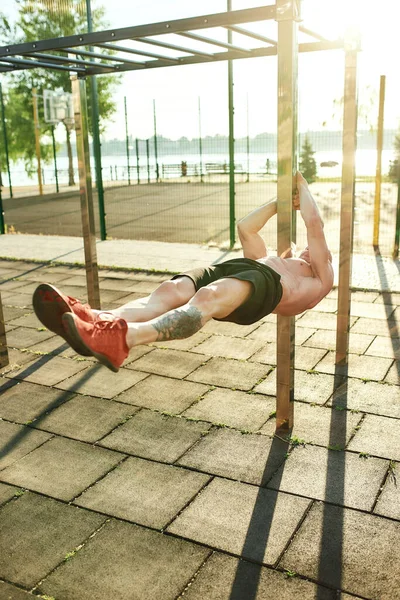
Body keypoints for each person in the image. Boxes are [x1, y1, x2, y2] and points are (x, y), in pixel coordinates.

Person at [32, 172, 333, 373]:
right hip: (246, 270)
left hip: (267, 288)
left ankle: (123, 340)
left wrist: (300, 183)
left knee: (208, 296)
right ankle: (96, 319)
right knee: (169, 290)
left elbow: (314, 225)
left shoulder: (319, 277)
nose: (307, 249)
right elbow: (246, 228)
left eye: (314, 251)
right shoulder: (271, 259)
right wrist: (279, 204)